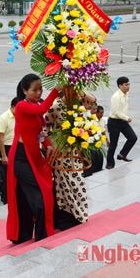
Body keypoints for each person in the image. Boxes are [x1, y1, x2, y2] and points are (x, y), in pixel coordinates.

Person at [6, 74, 60, 244]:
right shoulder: (22, 106)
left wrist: (48, 145)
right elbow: (43, 109)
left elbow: (41, 131)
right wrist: (56, 90)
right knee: (39, 198)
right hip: (21, 158)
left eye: (40, 89)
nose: (38, 93)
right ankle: (41, 236)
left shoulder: (35, 106)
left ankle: (26, 235)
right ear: (24, 91)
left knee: (27, 198)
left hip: (34, 156)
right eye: (34, 90)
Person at [45, 92, 92, 230]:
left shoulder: (78, 103)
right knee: (64, 184)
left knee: (78, 181)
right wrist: (52, 144)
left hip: (75, 151)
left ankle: (80, 213)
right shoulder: (55, 106)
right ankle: (68, 216)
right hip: (61, 152)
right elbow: (45, 126)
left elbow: (93, 100)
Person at [106, 76, 138, 169]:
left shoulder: (126, 94)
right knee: (113, 144)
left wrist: (125, 118)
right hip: (114, 122)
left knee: (133, 138)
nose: (128, 86)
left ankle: (122, 154)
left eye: (129, 84)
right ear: (120, 85)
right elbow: (116, 112)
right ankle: (110, 164)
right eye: (126, 85)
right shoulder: (116, 97)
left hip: (122, 121)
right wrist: (127, 118)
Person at [0, 97, 19, 204]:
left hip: (16, 146)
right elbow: (0, 137)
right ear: (13, 107)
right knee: (7, 176)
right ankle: (6, 199)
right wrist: (3, 155)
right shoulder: (4, 118)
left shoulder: (19, 116)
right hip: (6, 147)